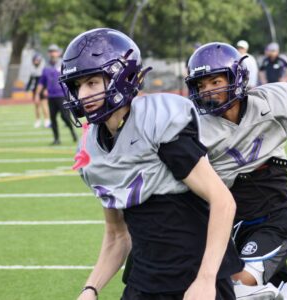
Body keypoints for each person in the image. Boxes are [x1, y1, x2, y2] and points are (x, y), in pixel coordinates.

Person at [59, 28, 243, 300]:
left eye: (92, 83)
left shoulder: (158, 121)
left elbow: (223, 201)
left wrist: (205, 280)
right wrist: (91, 288)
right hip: (144, 280)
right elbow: (117, 235)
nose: (83, 94)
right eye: (77, 86)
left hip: (194, 276)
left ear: (123, 77)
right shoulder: (91, 148)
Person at [185, 42, 287, 299]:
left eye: (215, 81)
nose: (208, 91)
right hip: (237, 226)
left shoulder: (267, 107)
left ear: (235, 78)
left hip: (276, 220)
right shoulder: (201, 128)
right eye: (201, 85)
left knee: (237, 287)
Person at [35, 44, 77, 145]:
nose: (52, 53)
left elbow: (70, 78)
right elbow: (42, 82)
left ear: (58, 52)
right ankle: (56, 139)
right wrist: (37, 94)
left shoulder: (64, 64)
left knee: (65, 117)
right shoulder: (46, 67)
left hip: (62, 95)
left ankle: (73, 133)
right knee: (53, 118)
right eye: (51, 51)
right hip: (51, 96)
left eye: (54, 51)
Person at [26, 53, 50, 128]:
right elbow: (30, 80)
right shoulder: (32, 68)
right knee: (36, 106)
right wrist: (27, 90)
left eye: (37, 60)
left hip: (43, 89)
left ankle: (47, 121)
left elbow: (46, 80)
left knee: (44, 106)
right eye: (34, 60)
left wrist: (46, 89)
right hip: (35, 90)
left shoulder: (44, 68)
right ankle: (38, 121)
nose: (36, 62)